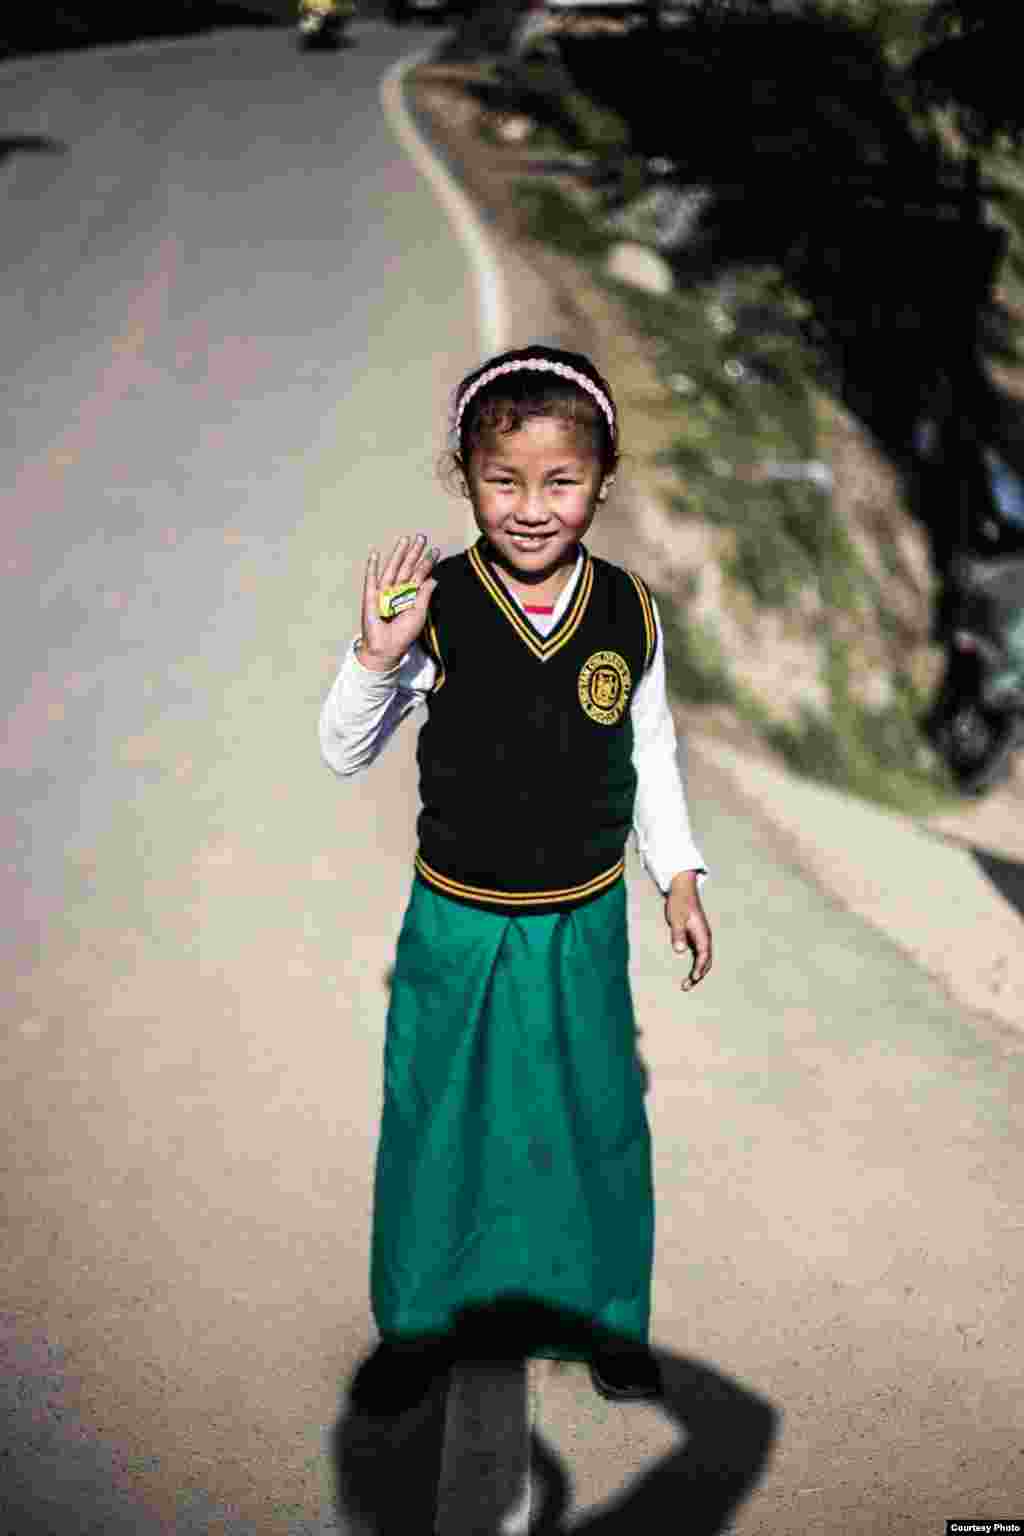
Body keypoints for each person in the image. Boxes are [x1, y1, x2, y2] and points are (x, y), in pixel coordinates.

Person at [318, 344, 712, 1417]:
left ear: (602, 482)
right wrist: (375, 655)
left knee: (597, 1114)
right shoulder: (435, 602)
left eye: (560, 482)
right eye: (503, 481)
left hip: (582, 918)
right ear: (465, 477)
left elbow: (650, 749)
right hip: (457, 916)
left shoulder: (628, 610)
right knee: (434, 1111)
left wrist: (677, 873)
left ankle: (607, 1319)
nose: (531, 509)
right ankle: (415, 1326)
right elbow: (344, 751)